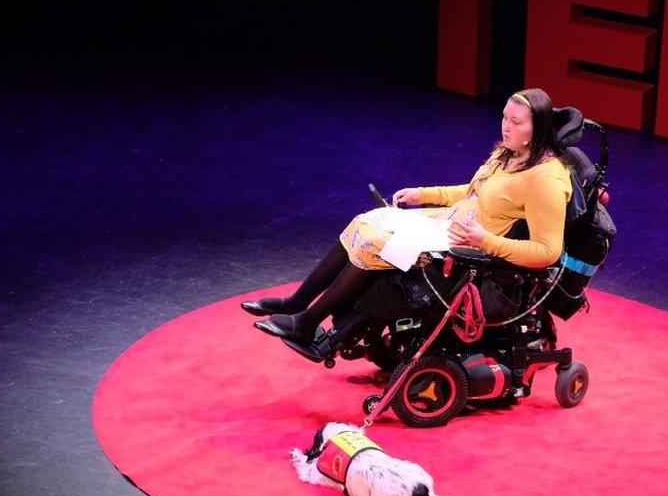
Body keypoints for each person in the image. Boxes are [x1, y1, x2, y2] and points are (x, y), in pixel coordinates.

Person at [244, 88, 573, 345]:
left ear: (538, 128)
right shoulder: (510, 154)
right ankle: (296, 302)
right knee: (365, 221)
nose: (506, 126)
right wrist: (425, 194)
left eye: (516, 122)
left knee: (374, 242)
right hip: (447, 223)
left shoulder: (547, 179)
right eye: (504, 117)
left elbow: (547, 252)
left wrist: (484, 240)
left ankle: (307, 321)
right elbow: (475, 191)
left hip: (466, 249)